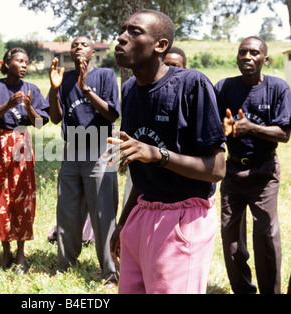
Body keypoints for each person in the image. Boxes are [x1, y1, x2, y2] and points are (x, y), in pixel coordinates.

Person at [109, 10, 226, 294]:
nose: (122, 38)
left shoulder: (191, 84)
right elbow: (142, 169)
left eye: (135, 32)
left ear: (160, 46)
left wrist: (158, 154)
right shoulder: (130, 90)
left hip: (183, 217)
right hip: (143, 211)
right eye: (123, 30)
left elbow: (217, 168)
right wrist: (124, 225)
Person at [215, 36, 290, 294]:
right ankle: (244, 290)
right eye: (242, 52)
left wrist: (252, 128)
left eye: (254, 53)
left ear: (265, 59)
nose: (247, 57)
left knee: (266, 238)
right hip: (233, 170)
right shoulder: (224, 87)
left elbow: (284, 134)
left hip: (263, 172)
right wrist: (222, 131)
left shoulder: (277, 88)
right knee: (231, 239)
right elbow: (214, 125)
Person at [47, 36, 120, 286]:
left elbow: (111, 114)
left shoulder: (106, 75)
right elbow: (56, 119)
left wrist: (86, 88)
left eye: (84, 45)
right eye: (74, 45)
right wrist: (55, 89)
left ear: (93, 51)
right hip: (72, 150)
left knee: (103, 212)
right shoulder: (64, 79)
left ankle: (110, 271)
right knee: (66, 210)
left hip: (101, 149)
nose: (78, 47)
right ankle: (65, 263)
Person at [0, 48, 49, 274]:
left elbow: (40, 124)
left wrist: (29, 108)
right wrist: (8, 105)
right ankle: (6, 252)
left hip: (21, 143)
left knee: (21, 197)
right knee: (0, 196)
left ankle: (21, 254)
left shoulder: (32, 89)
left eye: (26, 62)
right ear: (6, 63)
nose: (24, 65)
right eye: (19, 61)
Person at [122, 46, 187, 207]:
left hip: (176, 179)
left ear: (184, 69)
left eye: (176, 66)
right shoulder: (133, 90)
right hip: (141, 170)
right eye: (167, 64)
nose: (170, 70)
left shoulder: (189, 92)